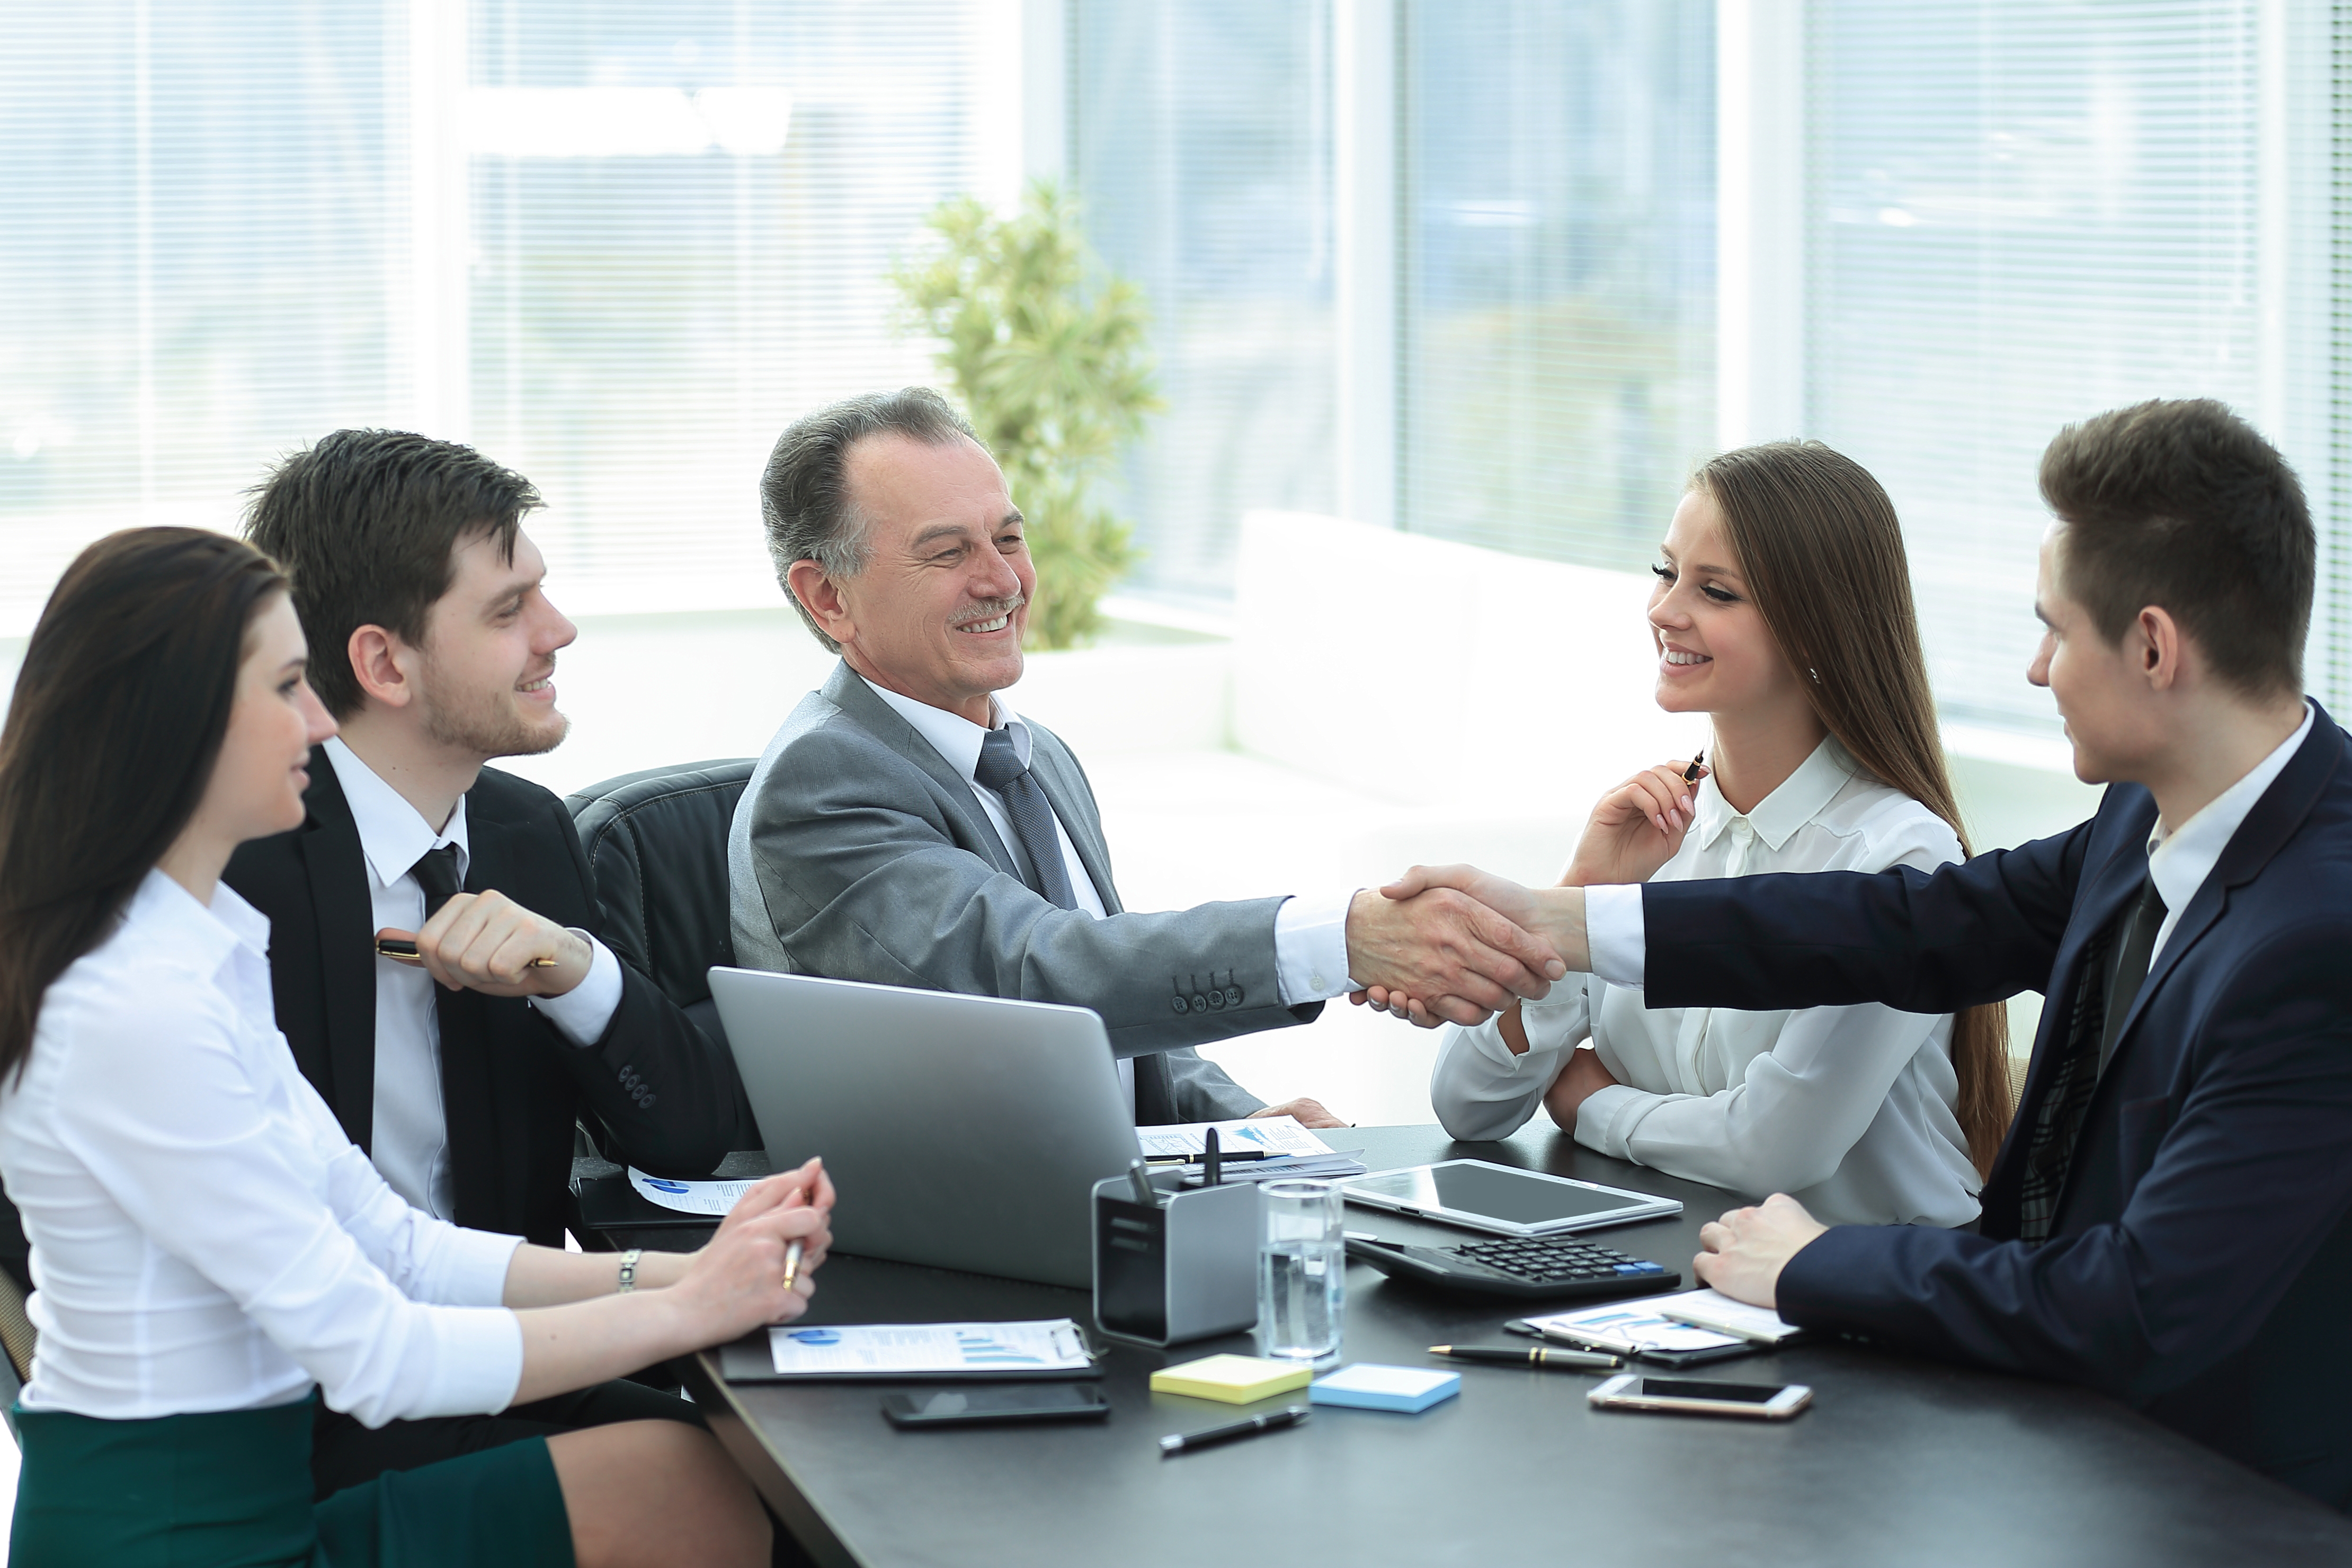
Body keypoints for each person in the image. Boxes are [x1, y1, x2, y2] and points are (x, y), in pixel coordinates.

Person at [1362, 400, 2352, 1505]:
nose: (2036, 671)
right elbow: (1904, 925)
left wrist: (1812, 1263)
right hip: (2052, 1424)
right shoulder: (2140, 818)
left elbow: (2144, 1303)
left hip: (2231, 1498)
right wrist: (1561, 917)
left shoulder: (2318, 941)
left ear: (2155, 647)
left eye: (2056, 631)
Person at [0, 526, 834, 1567]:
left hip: (247, 1503)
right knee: (690, 1484)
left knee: (707, 1479)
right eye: (286, 686)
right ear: (181, 726)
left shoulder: (197, 948)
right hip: (178, 1535)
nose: (318, 720)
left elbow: (393, 1243)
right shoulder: (134, 1009)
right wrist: (691, 1309)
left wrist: (684, 1279)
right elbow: (373, 1350)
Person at [728, 388, 1567, 1127]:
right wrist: (1340, 938)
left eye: (1009, 538)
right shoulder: (821, 784)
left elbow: (1121, 1018)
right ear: (827, 597)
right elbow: (1039, 980)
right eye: (948, 553)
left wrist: (1247, 1125)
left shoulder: (1034, 758)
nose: (1003, 581)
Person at [235, 429, 748, 1494]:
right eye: (509, 611)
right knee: (711, 1487)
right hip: (296, 1410)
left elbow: (686, 1137)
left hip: (508, 1367)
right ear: (383, 661)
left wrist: (579, 975)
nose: (557, 634)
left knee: (784, 1464)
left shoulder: (526, 832)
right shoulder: (241, 868)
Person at [1427, 442, 2009, 1225]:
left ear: (1816, 630)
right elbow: (1468, 1105)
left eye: (1716, 591)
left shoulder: (1898, 855)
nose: (1664, 610)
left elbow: (1778, 1149)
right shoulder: (1653, 828)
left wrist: (1596, 1106)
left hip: (1874, 1307)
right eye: (1666, 572)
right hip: (1684, 1284)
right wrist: (1582, 895)